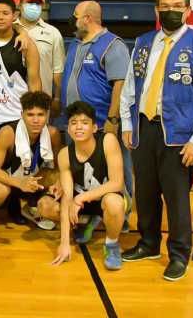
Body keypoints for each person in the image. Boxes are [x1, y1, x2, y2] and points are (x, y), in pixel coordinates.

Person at [120, 0, 193, 282]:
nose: (170, 11)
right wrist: (128, 125)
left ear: (188, 10)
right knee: (146, 194)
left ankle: (179, 254)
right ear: (156, 10)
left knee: (177, 199)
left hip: (179, 137)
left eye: (177, 6)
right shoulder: (143, 42)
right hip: (144, 130)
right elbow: (130, 87)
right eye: (164, 6)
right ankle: (149, 243)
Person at [61, 0, 133, 224]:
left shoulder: (113, 45)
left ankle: (122, 215)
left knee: (117, 173)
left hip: (102, 123)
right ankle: (86, 213)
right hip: (75, 124)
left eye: (75, 16)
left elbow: (120, 85)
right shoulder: (76, 43)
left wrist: (113, 118)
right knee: (81, 172)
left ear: (87, 19)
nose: (72, 20)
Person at [39, 101, 127, 271]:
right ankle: (85, 223)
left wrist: (82, 197)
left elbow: (117, 183)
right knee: (45, 206)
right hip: (82, 204)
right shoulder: (65, 154)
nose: (78, 127)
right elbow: (67, 198)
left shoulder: (108, 141)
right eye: (73, 123)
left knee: (114, 204)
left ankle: (112, 245)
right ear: (69, 128)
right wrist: (64, 243)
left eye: (84, 123)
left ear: (94, 128)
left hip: (105, 198)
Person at [0, 91, 62, 231]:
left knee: (58, 176)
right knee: (0, 190)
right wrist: (19, 183)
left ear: (47, 115)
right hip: (7, 181)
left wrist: (57, 184)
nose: (35, 120)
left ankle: (32, 207)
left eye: (40, 115)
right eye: (30, 114)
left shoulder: (53, 134)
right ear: (22, 114)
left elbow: (59, 168)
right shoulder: (8, 132)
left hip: (31, 181)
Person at [0, 0, 41, 148]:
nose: (0, 17)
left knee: (12, 167)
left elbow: (35, 83)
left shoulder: (27, 45)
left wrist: (33, 115)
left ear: (14, 16)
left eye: (5, 13)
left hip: (14, 116)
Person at [16, 0, 65, 117]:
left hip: (41, 102)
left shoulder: (53, 33)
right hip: (11, 100)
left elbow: (58, 71)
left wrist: (57, 99)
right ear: (20, 4)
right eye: (30, 2)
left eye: (38, 4)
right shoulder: (9, 27)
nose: (34, 6)